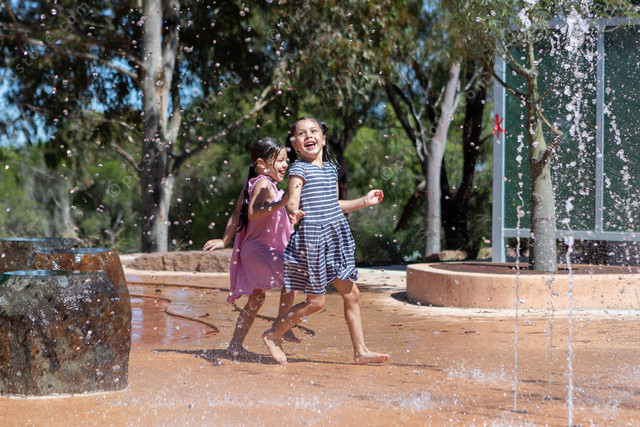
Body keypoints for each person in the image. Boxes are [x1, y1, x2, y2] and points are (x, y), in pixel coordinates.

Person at [262, 117, 390, 365]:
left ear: (323, 139)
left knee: (352, 295)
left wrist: (364, 200)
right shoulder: (298, 170)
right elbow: (292, 199)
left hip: (335, 238)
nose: (308, 135)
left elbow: (335, 204)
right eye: (301, 133)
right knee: (316, 302)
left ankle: (360, 351)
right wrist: (293, 211)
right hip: (313, 241)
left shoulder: (331, 169)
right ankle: (273, 335)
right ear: (295, 145)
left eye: (314, 131)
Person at [204, 137, 303, 358]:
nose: (285, 164)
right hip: (258, 250)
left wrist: (225, 240)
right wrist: (280, 203)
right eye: (280, 160)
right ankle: (281, 326)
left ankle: (235, 345)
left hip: (254, 250)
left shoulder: (255, 183)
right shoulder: (262, 184)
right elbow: (252, 213)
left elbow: (236, 213)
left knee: (257, 299)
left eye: (286, 160)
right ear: (261, 164)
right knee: (294, 274)